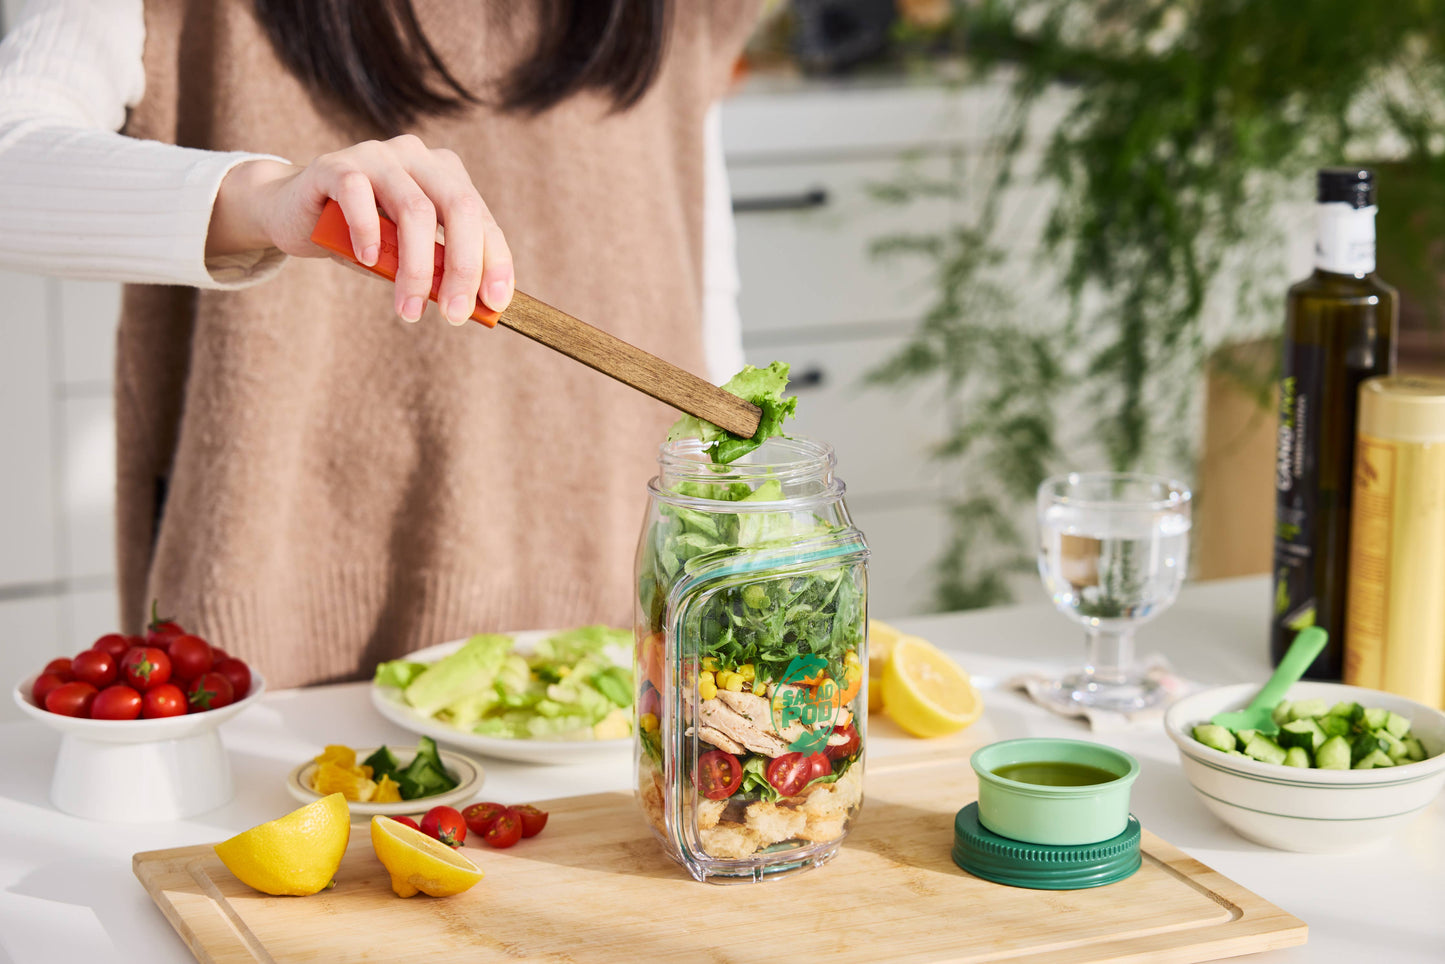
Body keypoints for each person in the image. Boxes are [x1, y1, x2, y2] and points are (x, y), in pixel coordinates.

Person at [0, 0, 758, 687]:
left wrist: (736, 527)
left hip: (620, 624)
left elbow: (693, 259)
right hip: (281, 634)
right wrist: (260, 201)